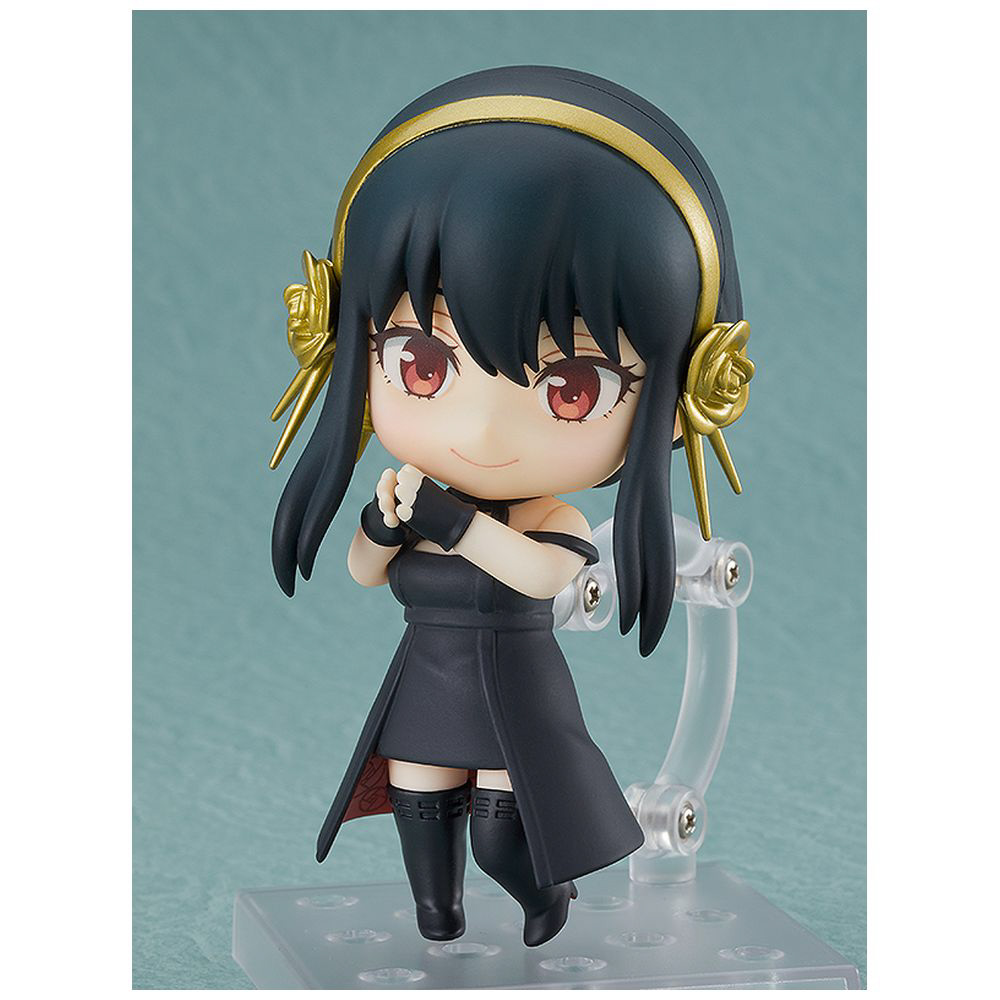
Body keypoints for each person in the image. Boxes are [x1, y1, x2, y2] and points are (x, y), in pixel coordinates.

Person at [269, 66, 753, 947]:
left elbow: (539, 577)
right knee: (419, 809)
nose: (484, 431)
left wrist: (453, 524)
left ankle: (542, 898)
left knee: (500, 832)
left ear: (678, 396)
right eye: (422, 364)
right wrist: (383, 521)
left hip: (516, 700)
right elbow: (363, 571)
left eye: (571, 388)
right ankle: (437, 915)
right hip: (426, 682)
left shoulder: (546, 519)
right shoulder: (417, 495)